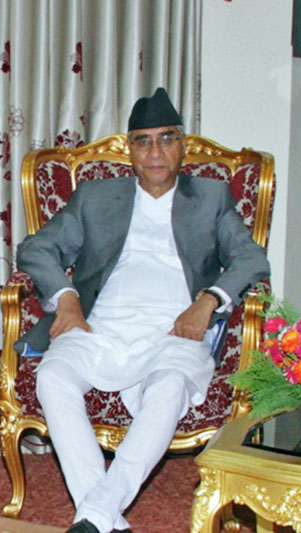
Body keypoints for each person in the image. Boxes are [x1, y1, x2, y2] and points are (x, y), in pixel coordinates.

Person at [15, 88, 270, 533]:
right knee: (53, 376)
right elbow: (36, 249)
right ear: (129, 149)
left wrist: (208, 301)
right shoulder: (97, 197)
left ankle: (95, 516)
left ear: (182, 145)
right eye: (144, 141)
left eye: (167, 138)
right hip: (100, 325)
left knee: (169, 386)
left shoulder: (211, 197)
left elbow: (251, 259)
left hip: (176, 330)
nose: (155, 151)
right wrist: (67, 299)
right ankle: (104, 517)